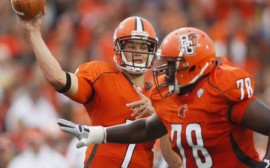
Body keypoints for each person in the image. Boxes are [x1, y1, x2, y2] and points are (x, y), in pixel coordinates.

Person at [58, 27, 270, 168]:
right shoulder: (174, 97)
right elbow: (147, 129)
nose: (164, 70)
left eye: (171, 64)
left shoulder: (221, 90)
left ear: (192, 66)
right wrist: (98, 133)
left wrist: (267, 164)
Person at [18, 8, 182, 168]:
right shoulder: (101, 76)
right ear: (119, 48)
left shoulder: (160, 92)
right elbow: (58, 78)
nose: (138, 52)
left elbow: (175, 162)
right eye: (132, 46)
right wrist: (34, 33)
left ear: (152, 50)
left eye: (143, 47)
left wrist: (158, 117)